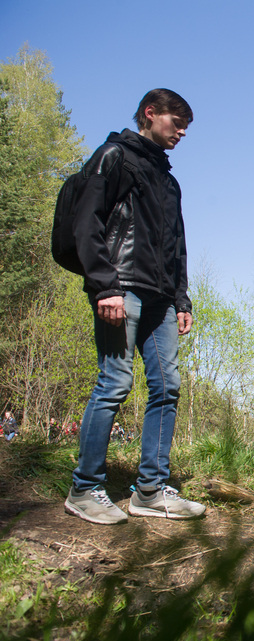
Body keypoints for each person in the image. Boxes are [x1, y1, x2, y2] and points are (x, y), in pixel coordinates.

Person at [63, 89, 205, 525]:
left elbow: (176, 246)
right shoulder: (114, 157)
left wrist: (182, 298)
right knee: (114, 383)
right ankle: (84, 488)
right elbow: (87, 222)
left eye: (186, 126)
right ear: (150, 113)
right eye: (176, 122)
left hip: (162, 299)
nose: (182, 132)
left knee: (167, 387)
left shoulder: (168, 180)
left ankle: (150, 491)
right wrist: (105, 286)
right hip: (120, 289)